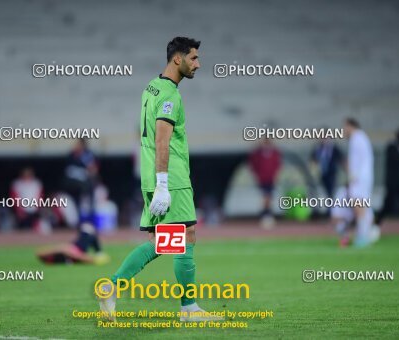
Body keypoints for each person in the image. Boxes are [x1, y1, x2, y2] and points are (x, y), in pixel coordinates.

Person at [98, 37, 222, 322]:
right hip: (170, 178)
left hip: (151, 174)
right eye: (193, 58)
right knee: (186, 236)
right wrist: (164, 185)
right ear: (177, 59)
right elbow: (162, 140)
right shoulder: (170, 95)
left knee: (164, 242)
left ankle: (112, 288)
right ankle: (188, 309)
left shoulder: (150, 87)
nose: (198, 64)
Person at [344, 118, 377, 247]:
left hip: (359, 179)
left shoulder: (357, 138)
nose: (343, 130)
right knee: (362, 206)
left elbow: (359, 161)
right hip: (362, 178)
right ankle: (365, 233)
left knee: (359, 206)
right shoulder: (361, 138)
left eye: (344, 127)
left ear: (350, 126)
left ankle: (363, 235)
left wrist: (354, 175)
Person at [36, 223, 109, 265]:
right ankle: (99, 252)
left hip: (75, 248)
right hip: (77, 250)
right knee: (91, 236)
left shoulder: (55, 255)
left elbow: (39, 253)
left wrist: (59, 249)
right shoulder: (52, 261)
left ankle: (99, 252)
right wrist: (92, 260)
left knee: (90, 236)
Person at [248, 138, 281, 227]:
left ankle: (267, 214)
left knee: (269, 197)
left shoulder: (274, 153)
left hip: (271, 178)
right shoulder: (258, 153)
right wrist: (256, 174)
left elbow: (277, 165)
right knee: (265, 196)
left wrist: (275, 175)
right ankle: (266, 214)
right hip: (262, 178)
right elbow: (253, 163)